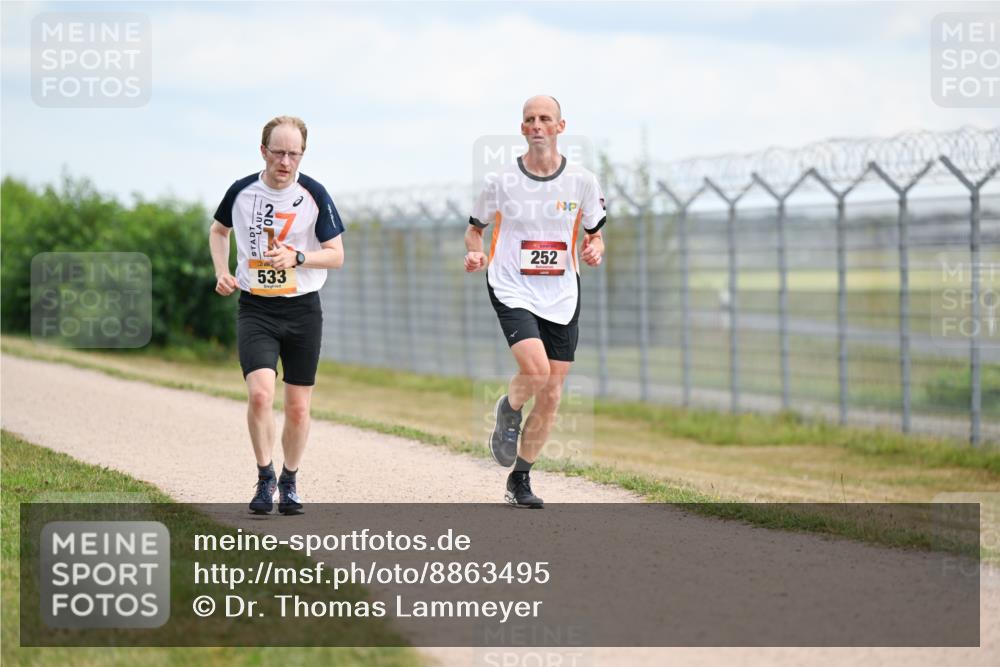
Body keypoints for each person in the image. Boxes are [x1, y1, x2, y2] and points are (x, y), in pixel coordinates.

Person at [464, 95, 606, 509]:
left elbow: (594, 233)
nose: (538, 125)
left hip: (561, 292)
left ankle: (520, 479)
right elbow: (475, 230)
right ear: (522, 128)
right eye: (530, 119)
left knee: (553, 392)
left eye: (546, 118)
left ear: (561, 127)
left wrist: (595, 248)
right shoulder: (502, 181)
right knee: (537, 371)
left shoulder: (582, 180)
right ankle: (509, 407)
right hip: (511, 284)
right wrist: (475, 252)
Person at [209, 115, 345, 515]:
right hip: (257, 308)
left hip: (303, 309)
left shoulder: (314, 193)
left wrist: (298, 256)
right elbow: (219, 231)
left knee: (298, 407)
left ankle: (289, 479)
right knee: (260, 394)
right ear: (263, 151)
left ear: (302, 154)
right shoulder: (241, 191)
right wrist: (221, 271)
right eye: (279, 152)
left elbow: (337, 255)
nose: (285, 162)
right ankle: (264, 474)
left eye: (294, 154)